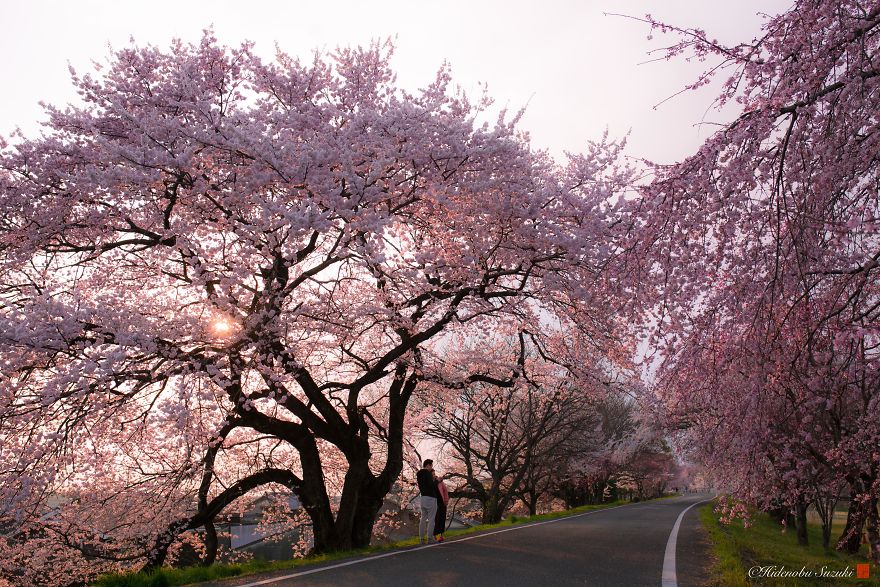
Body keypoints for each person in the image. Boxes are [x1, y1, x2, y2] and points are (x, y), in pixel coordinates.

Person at [416, 459, 439, 544]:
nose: (431, 467)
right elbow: (431, 485)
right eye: (431, 465)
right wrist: (437, 481)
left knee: (423, 519)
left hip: (423, 498)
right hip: (431, 498)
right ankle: (430, 538)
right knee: (431, 519)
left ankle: (422, 539)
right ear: (428, 465)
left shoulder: (419, 474)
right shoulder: (428, 474)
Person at [434, 471, 449, 542]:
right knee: (436, 519)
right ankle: (435, 536)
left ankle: (441, 535)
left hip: (442, 502)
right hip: (434, 503)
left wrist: (446, 500)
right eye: (433, 474)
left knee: (442, 519)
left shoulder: (439, 481)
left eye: (434, 474)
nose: (434, 475)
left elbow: (445, 490)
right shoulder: (431, 482)